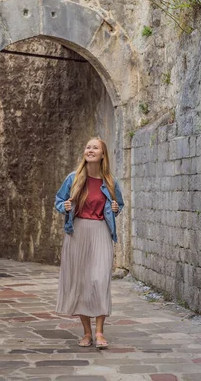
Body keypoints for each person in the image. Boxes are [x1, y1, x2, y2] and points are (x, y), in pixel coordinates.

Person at [54, 137, 125, 349]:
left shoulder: (110, 181)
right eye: (88, 147)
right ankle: (87, 332)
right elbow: (59, 201)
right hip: (77, 232)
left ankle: (100, 331)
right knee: (82, 282)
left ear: (103, 155)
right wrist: (65, 206)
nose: (90, 150)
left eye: (95, 148)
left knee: (99, 281)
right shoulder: (73, 179)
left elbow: (118, 203)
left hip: (101, 232)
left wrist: (115, 209)